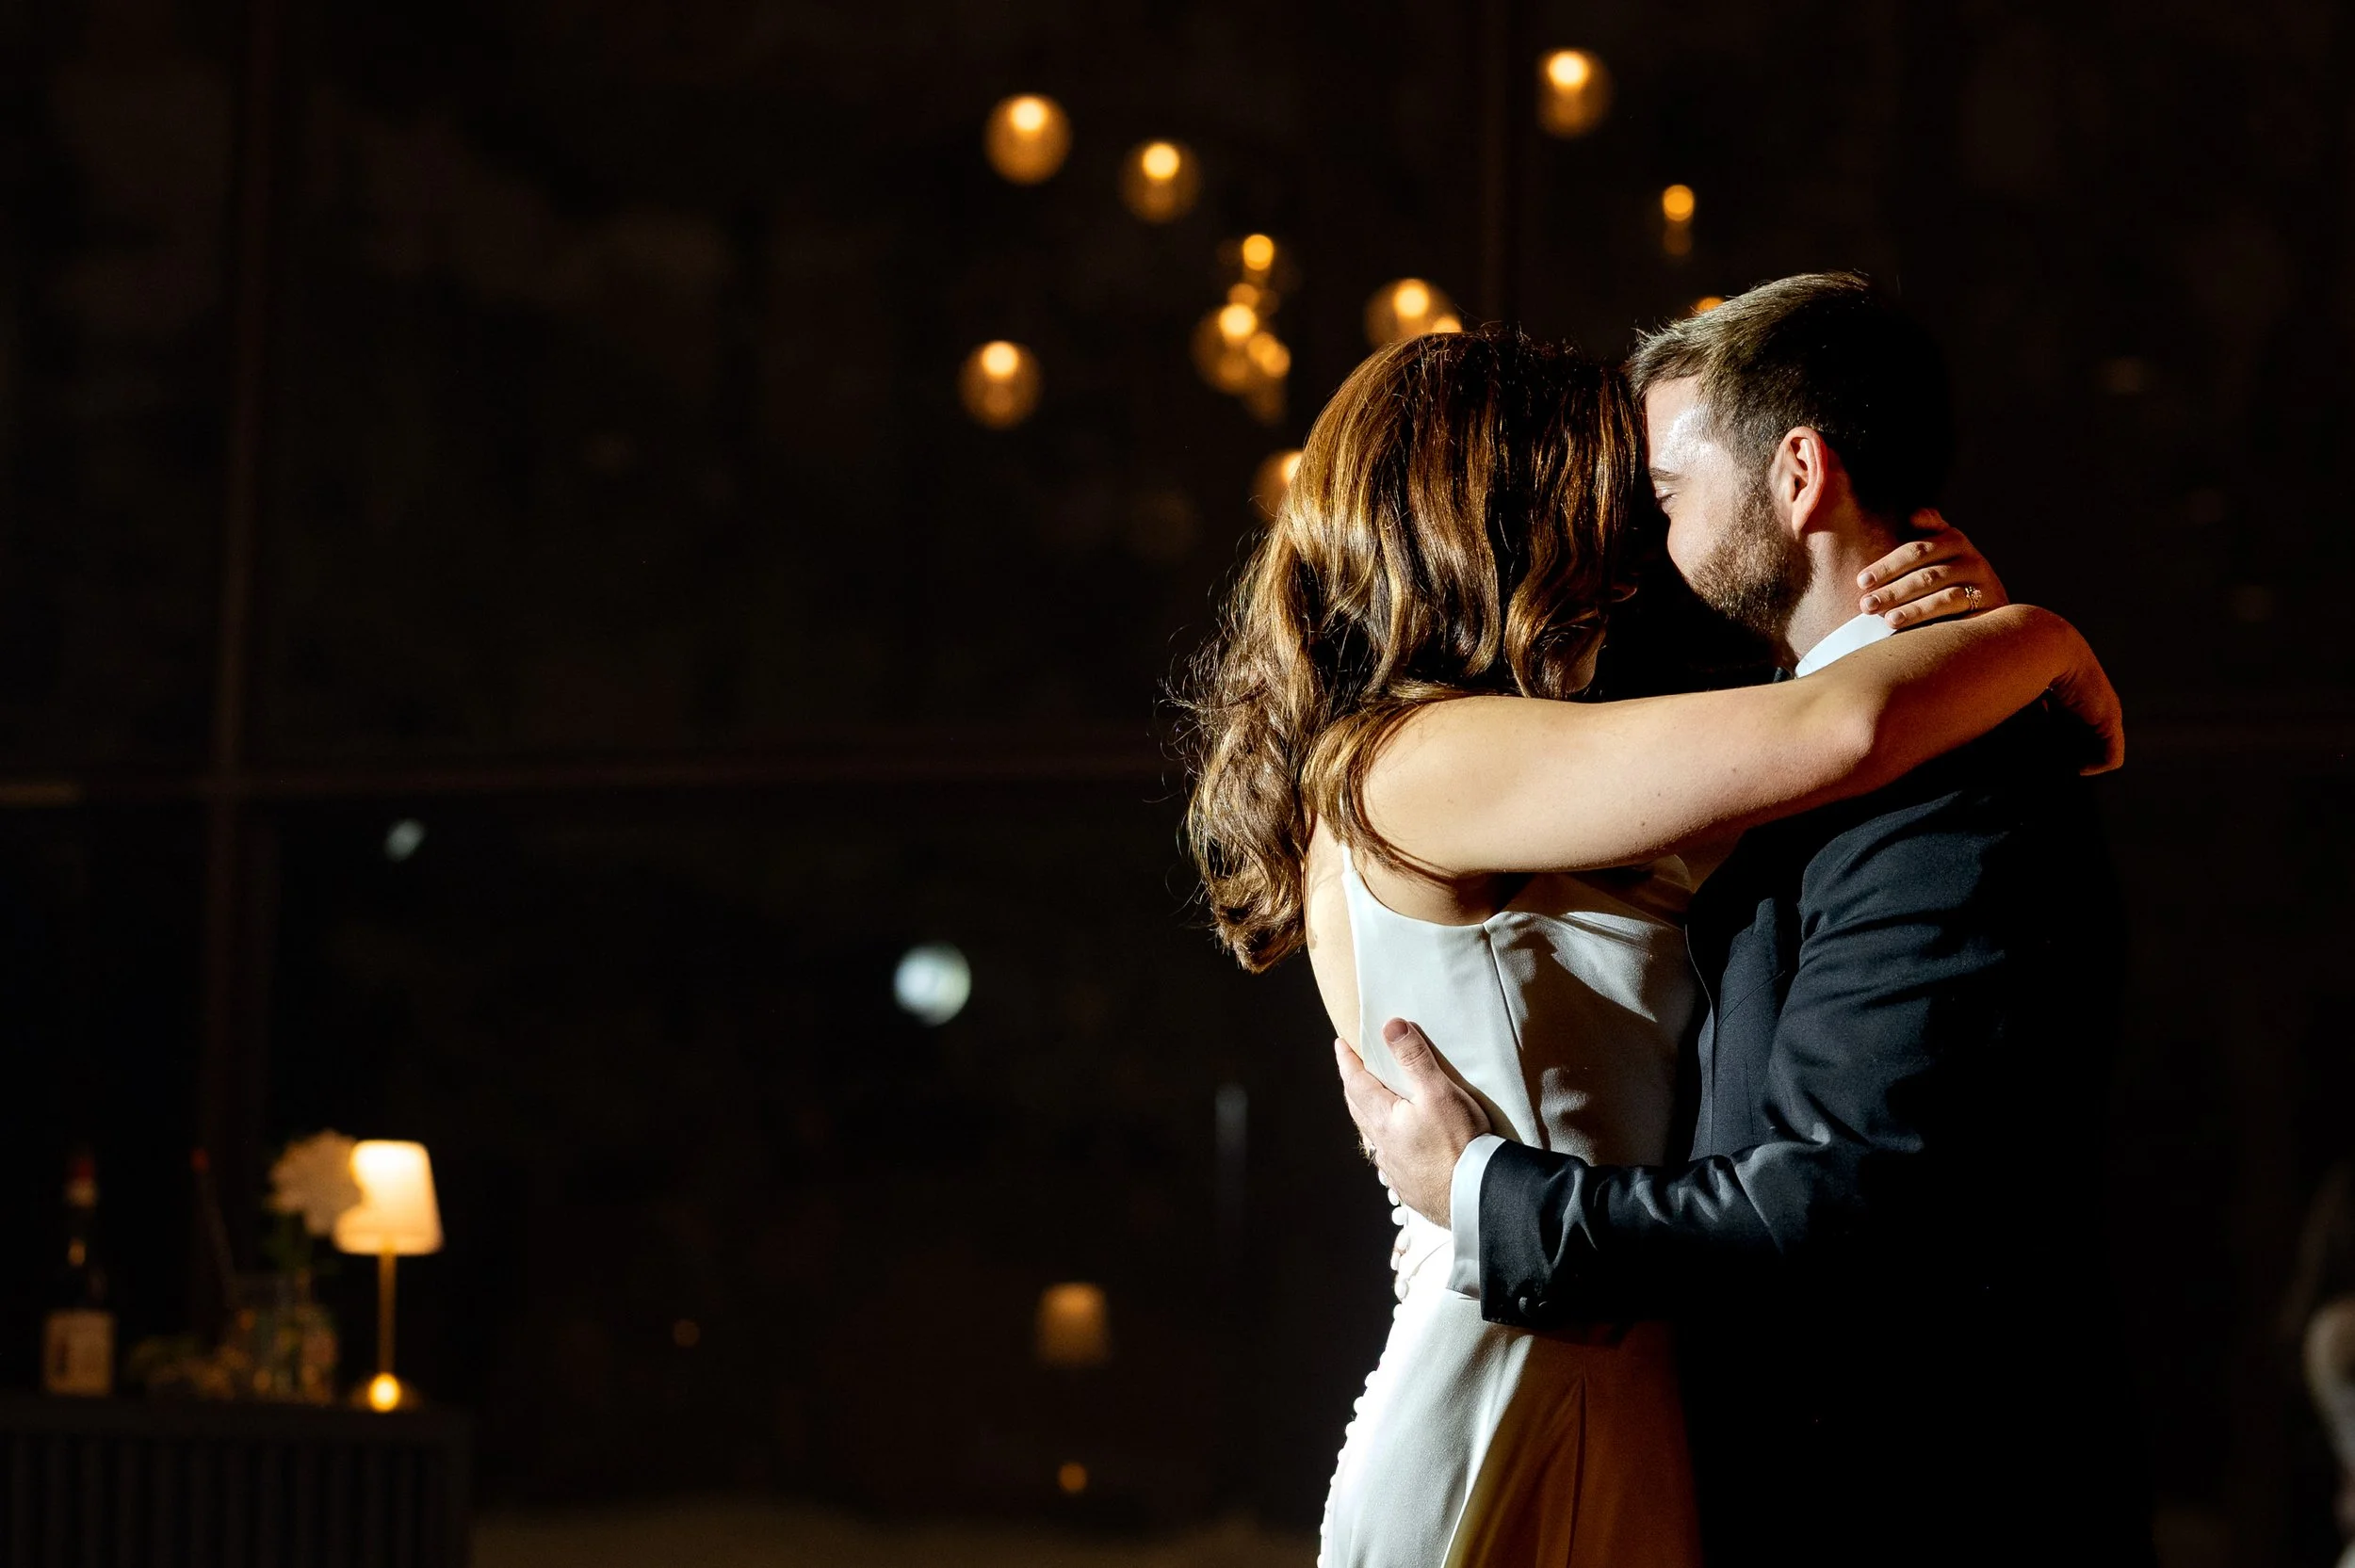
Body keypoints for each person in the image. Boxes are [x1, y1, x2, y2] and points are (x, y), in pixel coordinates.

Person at [1182, 286, 2123, 1568]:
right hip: (1523, 1377)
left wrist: (1957, 660)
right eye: (1611, 501)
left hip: (1605, 1363)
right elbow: (1833, 734)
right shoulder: (1413, 762)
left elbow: (1812, 797)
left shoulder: (1531, 776)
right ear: (1509, 518)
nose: (1634, 546)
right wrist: (2040, 640)